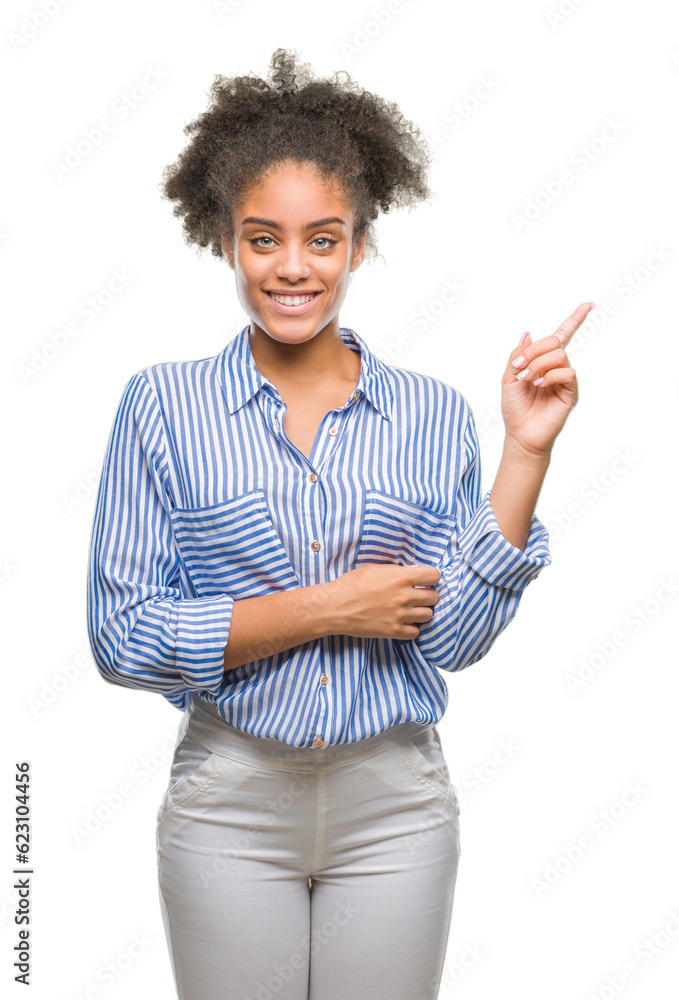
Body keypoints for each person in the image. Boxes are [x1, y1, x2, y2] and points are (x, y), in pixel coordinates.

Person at [86, 47, 589, 1000]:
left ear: (358, 244)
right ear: (225, 241)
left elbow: (450, 636)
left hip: (393, 804)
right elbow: (123, 640)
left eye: (323, 239)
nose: (292, 267)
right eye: (262, 238)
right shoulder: (161, 407)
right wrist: (328, 608)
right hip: (229, 800)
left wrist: (524, 452)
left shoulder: (433, 414)